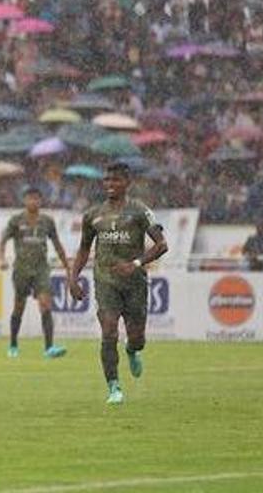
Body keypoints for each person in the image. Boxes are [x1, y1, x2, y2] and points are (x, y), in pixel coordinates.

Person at [68, 163, 168, 405]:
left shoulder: (140, 212)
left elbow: (161, 245)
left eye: (116, 180)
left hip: (135, 283)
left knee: (137, 338)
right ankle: (114, 387)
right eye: (107, 180)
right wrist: (72, 277)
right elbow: (84, 249)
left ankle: (132, 350)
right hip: (106, 281)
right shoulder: (92, 215)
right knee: (109, 330)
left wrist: (135, 263)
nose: (110, 185)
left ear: (127, 183)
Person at [0, 187, 70, 359]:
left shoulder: (47, 221)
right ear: (24, 200)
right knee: (19, 307)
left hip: (41, 269)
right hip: (21, 268)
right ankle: (13, 344)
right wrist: (1, 259)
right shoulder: (16, 220)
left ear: (40, 201)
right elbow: (3, 241)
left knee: (45, 303)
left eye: (36, 199)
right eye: (30, 198)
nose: (33, 202)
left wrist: (67, 265)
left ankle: (49, 348)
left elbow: (57, 244)